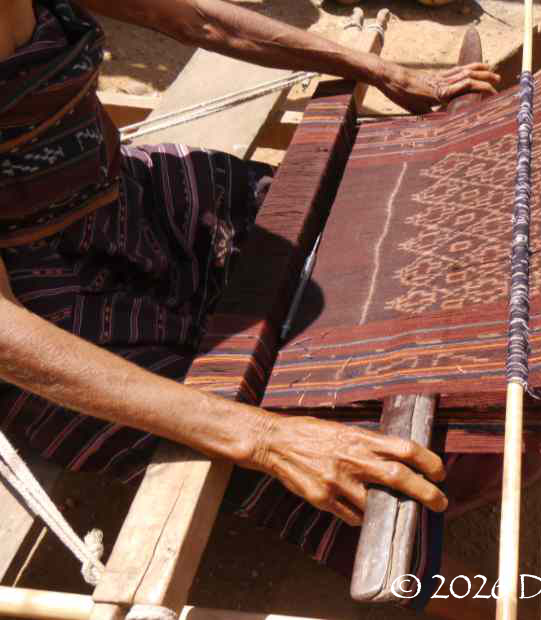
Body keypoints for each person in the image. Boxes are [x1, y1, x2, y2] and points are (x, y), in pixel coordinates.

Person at [0, 1, 503, 617]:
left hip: (128, 206)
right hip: (45, 314)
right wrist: (264, 438)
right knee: (344, 471)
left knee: (344, 222)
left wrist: (380, 70)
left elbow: (201, 21)